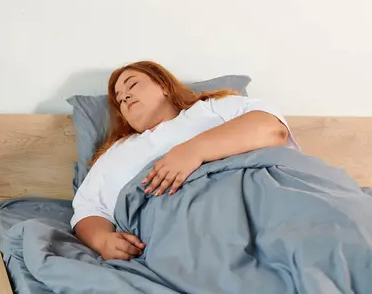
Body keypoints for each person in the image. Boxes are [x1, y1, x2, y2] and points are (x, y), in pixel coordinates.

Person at [71, 61, 298, 261]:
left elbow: (272, 129)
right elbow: (87, 207)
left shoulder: (211, 107)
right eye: (120, 99)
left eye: (132, 85)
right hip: (179, 228)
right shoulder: (115, 153)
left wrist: (193, 151)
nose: (125, 96)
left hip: (255, 199)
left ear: (164, 86)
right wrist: (102, 240)